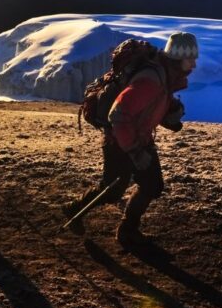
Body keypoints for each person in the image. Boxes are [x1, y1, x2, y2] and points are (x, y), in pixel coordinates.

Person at [63, 32, 199, 245]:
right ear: (177, 58)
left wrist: (170, 112)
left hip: (139, 138)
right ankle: (74, 210)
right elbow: (118, 114)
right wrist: (135, 151)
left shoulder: (164, 75)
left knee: (152, 185)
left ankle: (128, 231)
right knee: (112, 189)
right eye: (191, 59)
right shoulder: (151, 79)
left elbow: (148, 105)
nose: (194, 64)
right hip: (120, 141)